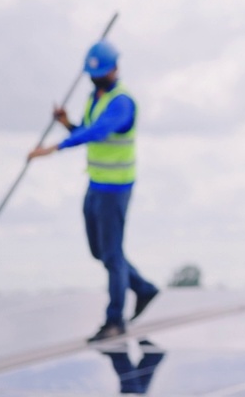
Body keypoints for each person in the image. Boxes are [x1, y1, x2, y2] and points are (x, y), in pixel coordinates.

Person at [28, 41, 161, 342]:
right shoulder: (94, 97)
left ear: (115, 69)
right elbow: (86, 131)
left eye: (101, 73)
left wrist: (54, 148)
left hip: (116, 188)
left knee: (112, 256)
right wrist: (66, 125)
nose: (97, 78)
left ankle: (115, 320)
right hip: (95, 184)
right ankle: (143, 288)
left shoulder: (122, 102)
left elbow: (100, 131)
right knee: (99, 251)